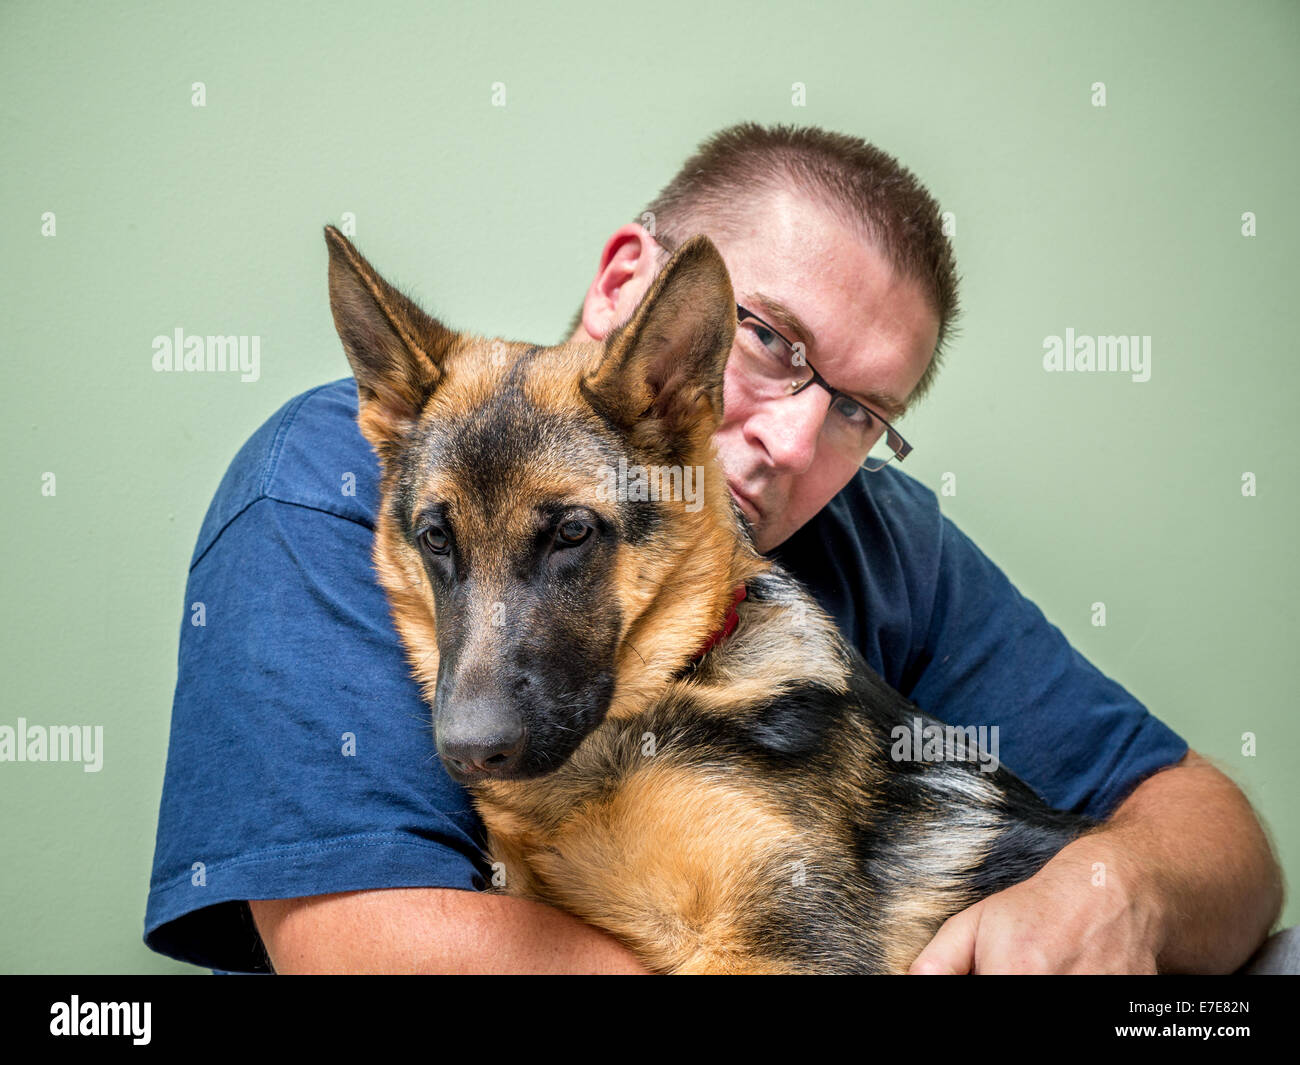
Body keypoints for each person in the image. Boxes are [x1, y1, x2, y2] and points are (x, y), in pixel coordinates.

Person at [144, 122, 1284, 974]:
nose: (790, 439)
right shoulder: (349, 482)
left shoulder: (890, 541)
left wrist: (1112, 885)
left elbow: (1219, 842)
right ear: (629, 283)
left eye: (860, 410)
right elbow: (362, 948)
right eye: (769, 339)